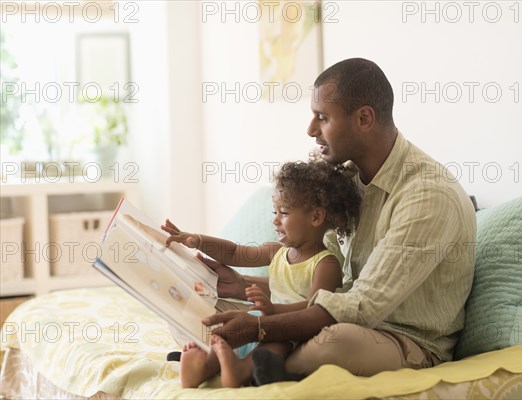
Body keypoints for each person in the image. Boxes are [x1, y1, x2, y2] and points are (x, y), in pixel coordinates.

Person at [200, 58, 478, 382]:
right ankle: (243, 362)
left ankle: (249, 365)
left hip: (405, 341)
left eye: (322, 117)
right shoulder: (348, 181)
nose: (310, 130)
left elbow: (362, 307)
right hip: (344, 317)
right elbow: (327, 286)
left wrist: (261, 327)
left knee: (334, 343)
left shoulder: (428, 196)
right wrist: (246, 286)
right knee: (216, 307)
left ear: (363, 118)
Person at [161, 159, 361, 388]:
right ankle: (203, 367)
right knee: (225, 334)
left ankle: (239, 371)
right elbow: (234, 252)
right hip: (266, 318)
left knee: (276, 344)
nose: (275, 221)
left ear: (316, 217)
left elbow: (315, 308)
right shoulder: (276, 251)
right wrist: (196, 240)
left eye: (283, 213)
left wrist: (274, 310)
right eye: (275, 212)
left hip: (294, 330)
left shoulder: (326, 264)